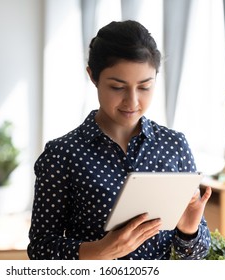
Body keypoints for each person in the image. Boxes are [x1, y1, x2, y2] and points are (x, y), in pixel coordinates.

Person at [28, 20, 212, 260]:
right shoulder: (61, 154)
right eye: (117, 87)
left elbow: (196, 254)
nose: (132, 101)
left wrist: (189, 230)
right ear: (92, 76)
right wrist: (100, 251)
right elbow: (40, 248)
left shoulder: (174, 145)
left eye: (145, 87)